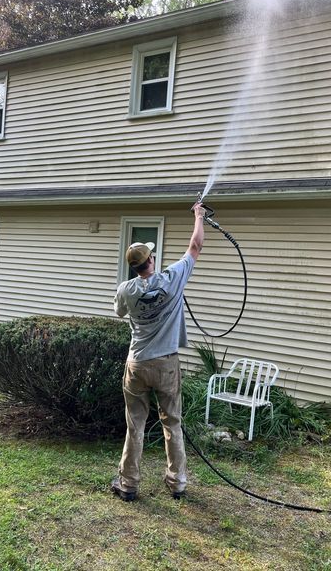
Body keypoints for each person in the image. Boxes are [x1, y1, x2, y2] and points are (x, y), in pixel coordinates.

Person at [111, 202, 206, 502]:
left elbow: (119, 312)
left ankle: (128, 484)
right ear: (151, 259)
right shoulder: (172, 278)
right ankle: (176, 482)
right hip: (166, 364)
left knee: (135, 424)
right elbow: (195, 245)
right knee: (172, 422)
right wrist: (199, 216)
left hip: (137, 364)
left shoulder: (126, 289)